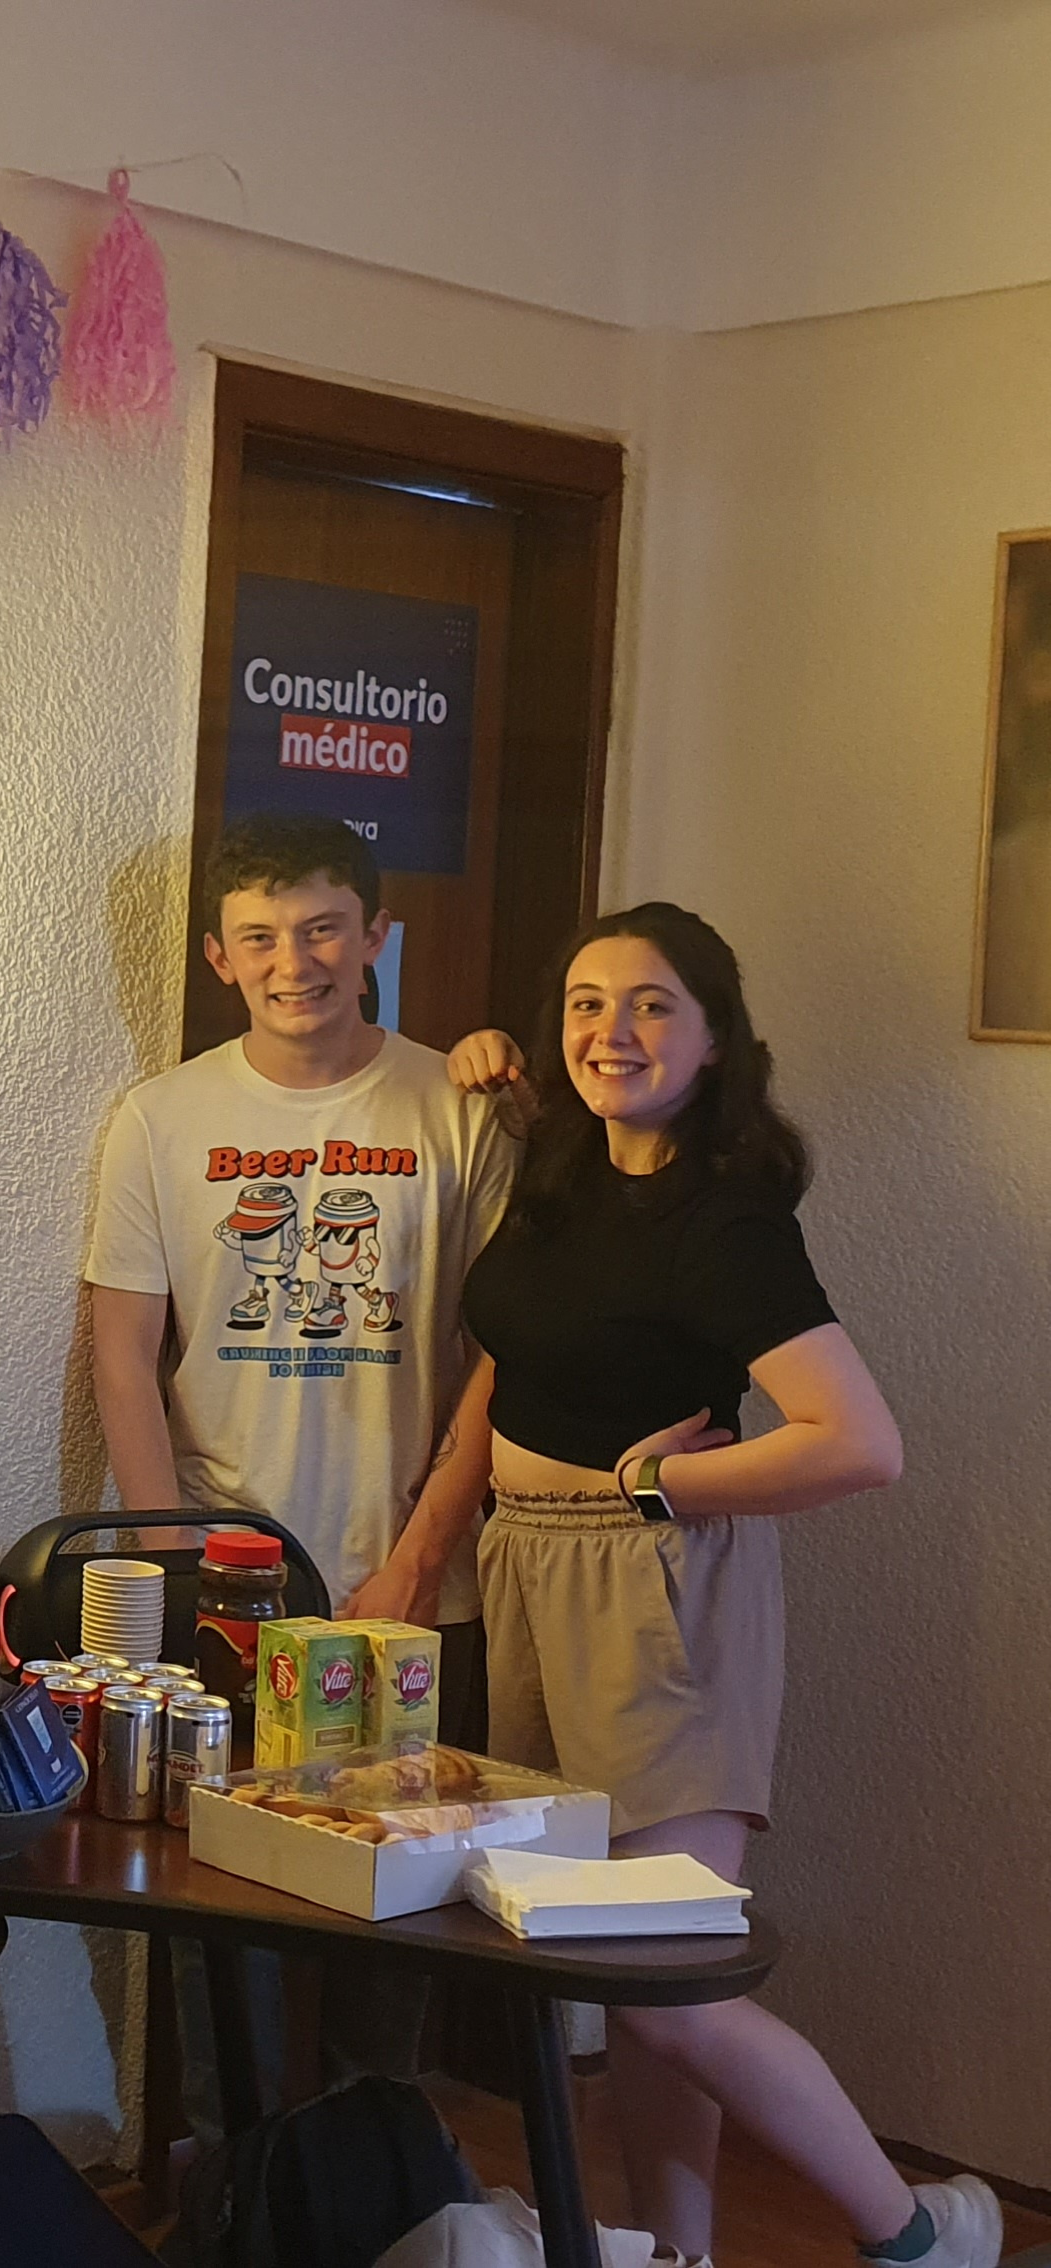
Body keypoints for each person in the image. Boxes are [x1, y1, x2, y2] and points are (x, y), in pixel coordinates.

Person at [451, 904, 996, 2268]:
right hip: (529, 1573)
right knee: (620, 1974)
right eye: (585, 1002)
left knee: (666, 1980)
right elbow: (527, 1346)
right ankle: (677, 2251)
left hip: (656, 1593)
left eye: (652, 1006)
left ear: (714, 1039)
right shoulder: (567, 1168)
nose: (611, 1031)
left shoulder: (724, 1221)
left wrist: (659, 1489)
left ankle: (915, 2234)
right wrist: (486, 1057)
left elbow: (860, 1443)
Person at [85, 812, 515, 2121]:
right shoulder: (160, 1118)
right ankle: (243, 2182)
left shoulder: (457, 1106)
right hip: (229, 1587)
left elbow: (503, 1355)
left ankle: (374, 2177)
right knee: (224, 1914)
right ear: (219, 954)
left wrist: (422, 1558)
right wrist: (178, 1563)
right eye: (263, 936)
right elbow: (123, 1357)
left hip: (410, 1587)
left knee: (400, 1913)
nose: (296, 961)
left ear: (376, 936)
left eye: (324, 928)